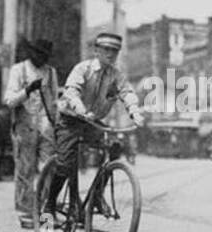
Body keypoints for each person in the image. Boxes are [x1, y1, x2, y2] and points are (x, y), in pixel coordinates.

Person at [43, 32, 145, 220]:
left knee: (114, 147)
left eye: (114, 51)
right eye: (106, 49)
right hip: (70, 119)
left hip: (93, 122)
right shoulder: (83, 69)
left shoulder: (116, 75)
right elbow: (72, 91)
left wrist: (135, 113)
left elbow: (127, 93)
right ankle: (49, 204)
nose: (110, 54)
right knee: (65, 163)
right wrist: (81, 110)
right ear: (96, 51)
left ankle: (97, 195)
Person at [4, 36, 57, 228]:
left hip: (46, 127)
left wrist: (56, 124)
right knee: (25, 171)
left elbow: (53, 104)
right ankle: (25, 215)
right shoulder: (18, 70)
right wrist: (27, 91)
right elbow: (9, 100)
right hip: (25, 126)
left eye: (45, 56)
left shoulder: (51, 72)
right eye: (39, 54)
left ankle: (46, 216)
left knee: (48, 170)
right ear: (31, 53)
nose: (42, 59)